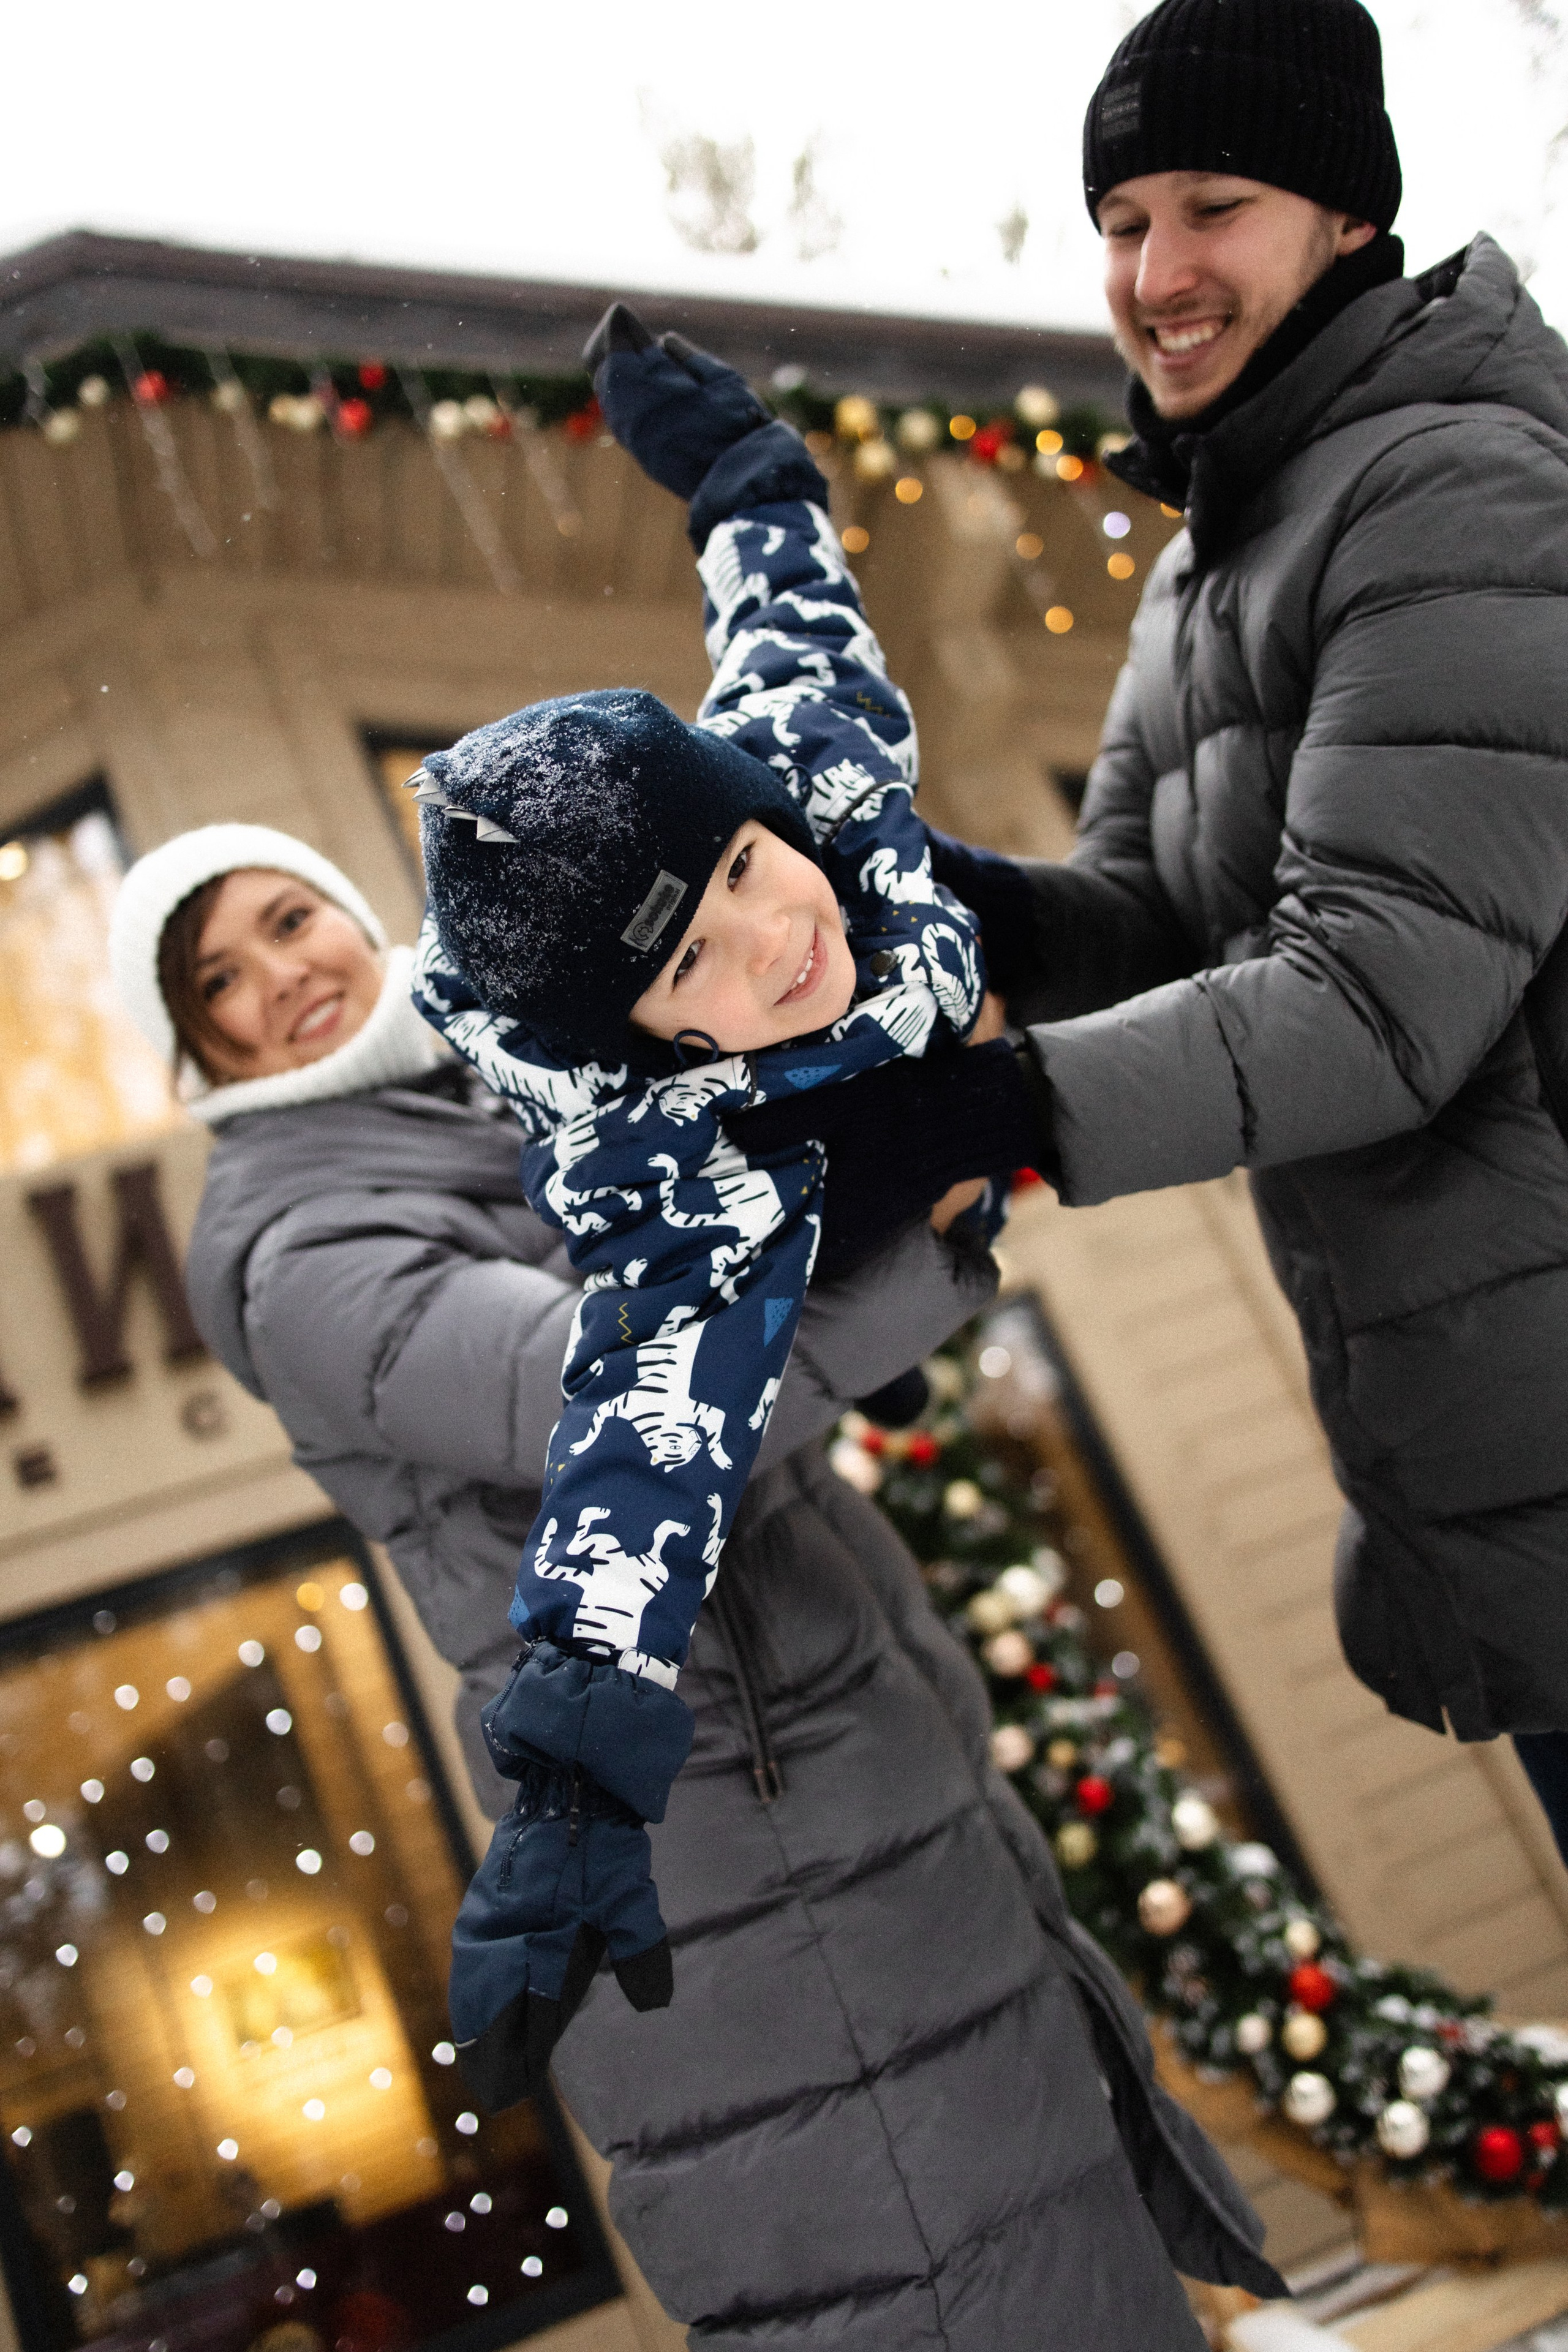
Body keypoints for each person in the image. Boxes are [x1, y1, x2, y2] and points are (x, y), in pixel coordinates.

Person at [111, 825, 1281, 2348]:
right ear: (199, 1050)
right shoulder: (303, 1245)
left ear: (348, 914)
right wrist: (910, 1240)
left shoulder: (511, 1095)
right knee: (956, 2278)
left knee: (1050, 2236)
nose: (281, 976)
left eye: (288, 921)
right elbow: (627, 1412)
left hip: (834, 1787)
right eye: (221, 981)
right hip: (743, 1854)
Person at [916, 0, 1568, 1856]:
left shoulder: (1460, 489)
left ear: (1349, 219)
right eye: (1123, 218)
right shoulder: (1215, 559)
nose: (1156, 271)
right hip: (1497, 1458)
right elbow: (1157, 925)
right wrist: (938, 904)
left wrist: (996, 1113)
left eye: (1215, 206)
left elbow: (1375, 998)